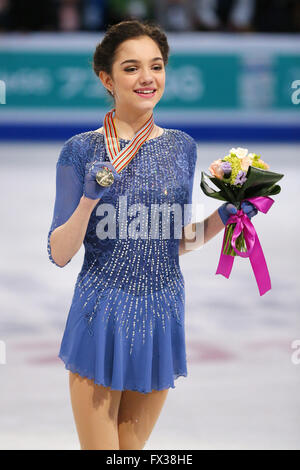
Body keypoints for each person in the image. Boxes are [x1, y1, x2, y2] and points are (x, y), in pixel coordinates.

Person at [47, 19, 257, 450]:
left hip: (162, 309)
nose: (147, 78)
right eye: (131, 68)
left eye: (156, 66)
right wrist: (88, 200)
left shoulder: (183, 146)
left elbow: (174, 241)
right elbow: (60, 252)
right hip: (101, 310)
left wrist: (226, 215)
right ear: (107, 78)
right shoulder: (81, 149)